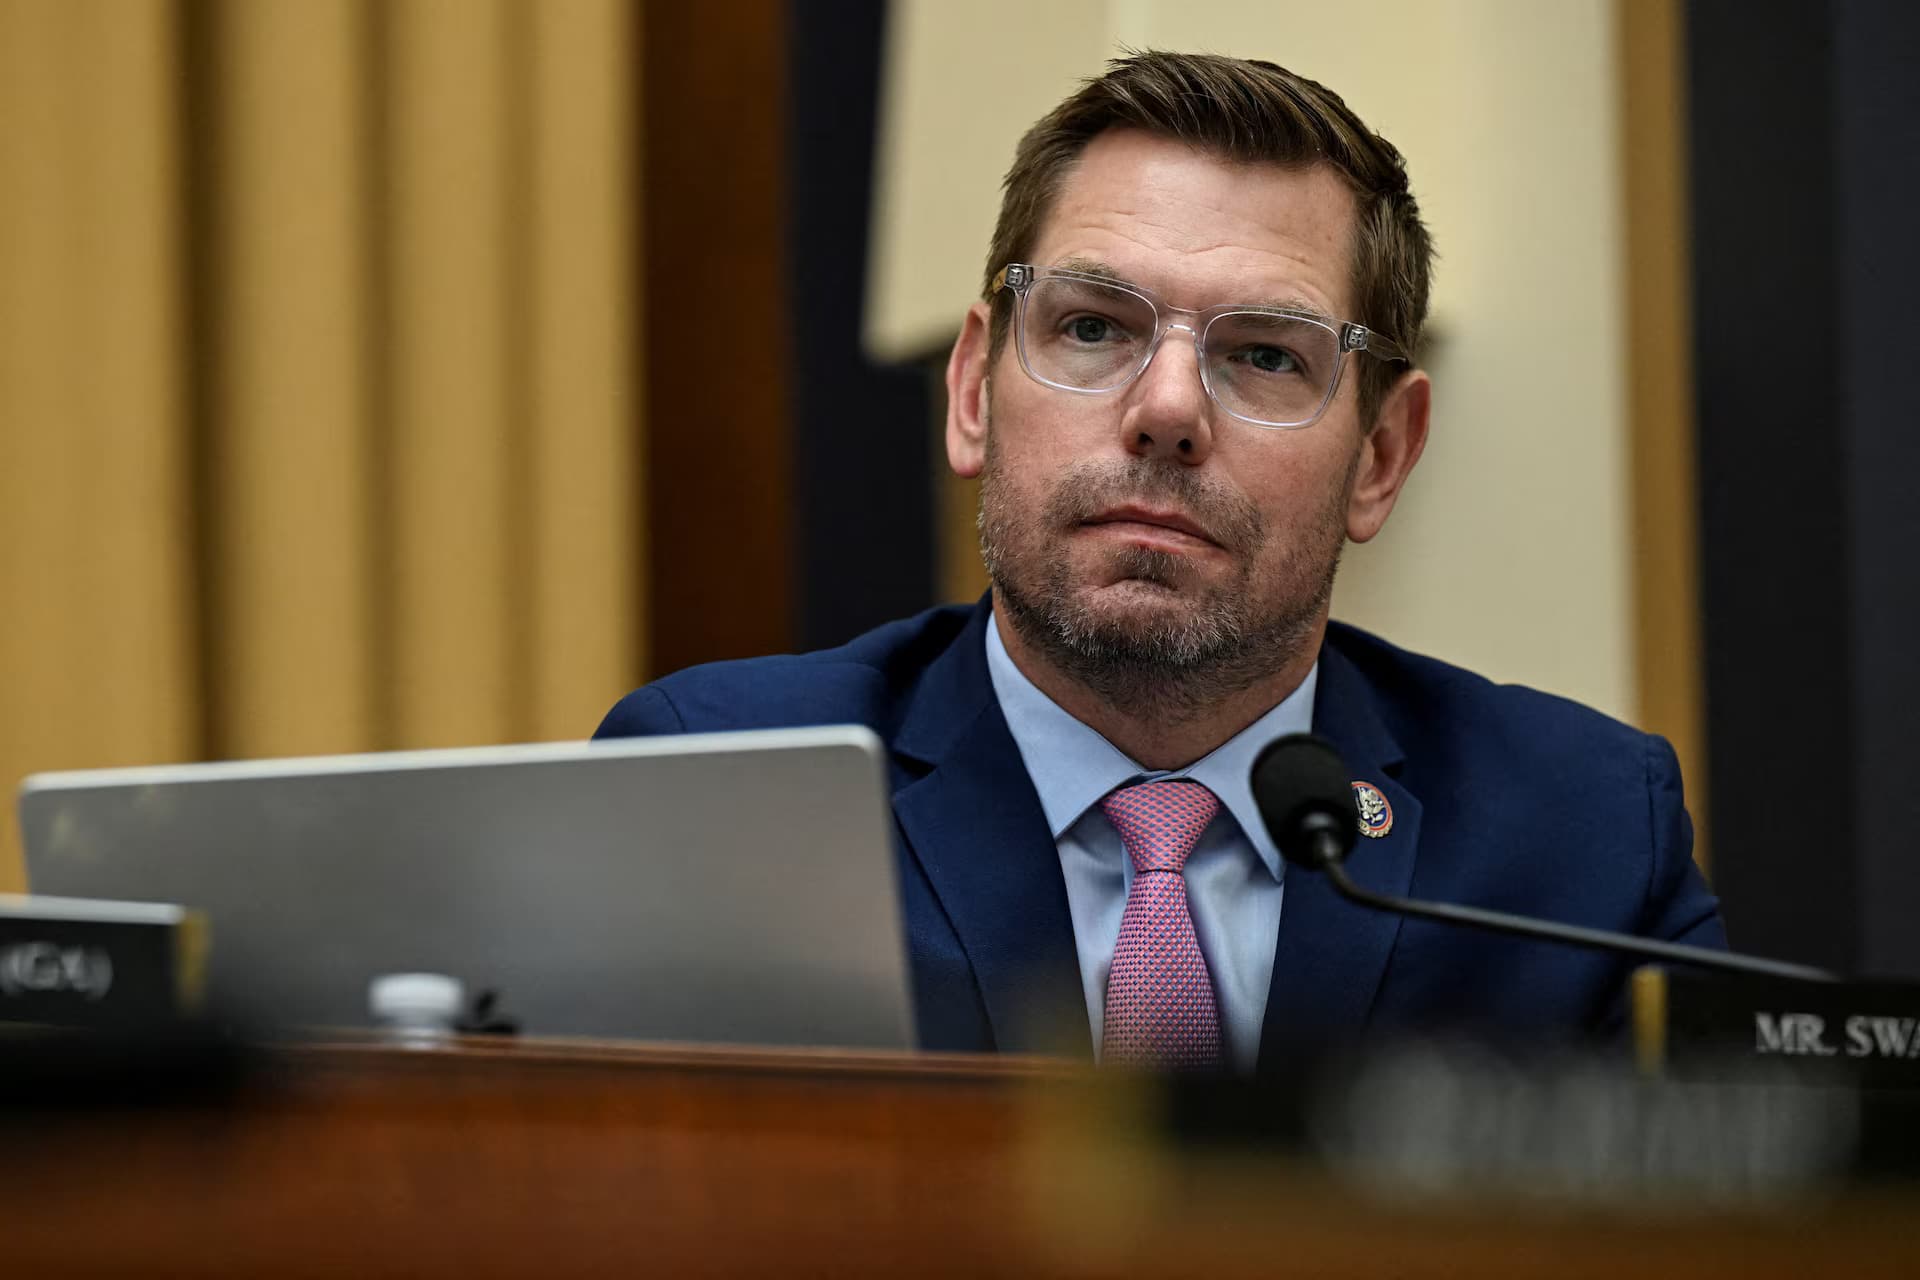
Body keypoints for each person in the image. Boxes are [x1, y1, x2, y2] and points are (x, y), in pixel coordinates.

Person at [596, 51, 1725, 1072]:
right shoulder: (719, 788)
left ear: (1381, 456)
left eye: (1266, 355)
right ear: (973, 390)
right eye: (1093, 327)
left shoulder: (1576, 843)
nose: (1168, 409)